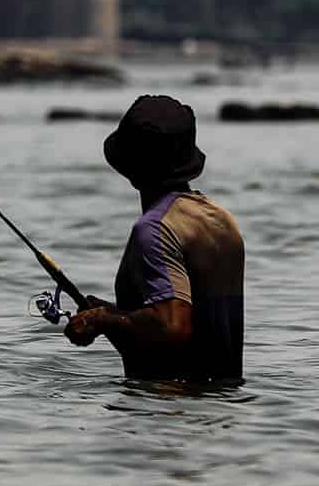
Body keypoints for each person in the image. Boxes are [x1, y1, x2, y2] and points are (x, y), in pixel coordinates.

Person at [62, 94, 245, 383]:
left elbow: (173, 326)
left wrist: (101, 320)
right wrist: (113, 316)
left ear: (131, 169)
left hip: (164, 416)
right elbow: (191, 323)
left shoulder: (154, 229)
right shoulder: (222, 220)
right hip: (220, 417)